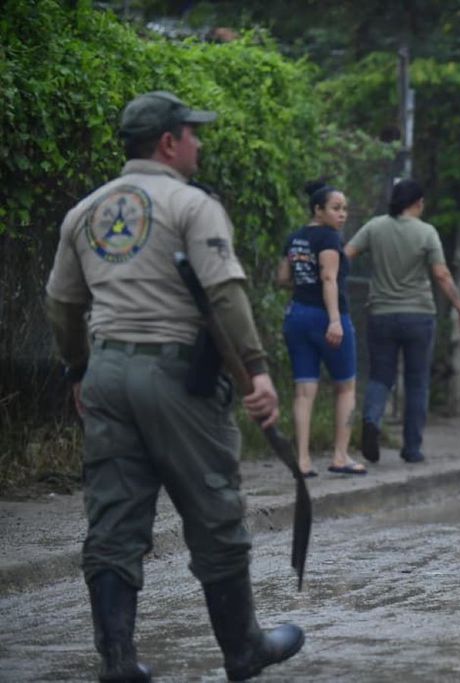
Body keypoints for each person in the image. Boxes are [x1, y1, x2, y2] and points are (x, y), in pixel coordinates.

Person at [45, 91, 303, 681]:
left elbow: (62, 303)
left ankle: (117, 661)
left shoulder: (86, 210)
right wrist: (258, 370)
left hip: (107, 373)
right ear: (168, 142)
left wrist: (79, 369)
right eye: (192, 132)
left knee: (113, 518)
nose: (199, 142)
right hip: (177, 377)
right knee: (214, 509)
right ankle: (243, 648)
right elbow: (226, 294)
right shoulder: (192, 205)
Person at [344, 179, 460, 464]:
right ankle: (412, 448)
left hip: (381, 314)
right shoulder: (426, 232)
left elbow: (346, 256)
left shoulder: (374, 227)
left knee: (381, 376)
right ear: (417, 203)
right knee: (417, 382)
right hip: (418, 315)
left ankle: (371, 419)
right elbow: (441, 275)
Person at [276, 181, 366, 478]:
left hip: (297, 315)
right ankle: (340, 456)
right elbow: (329, 279)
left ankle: (301, 460)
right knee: (345, 386)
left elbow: (283, 278)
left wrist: (305, 282)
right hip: (327, 318)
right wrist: (335, 319)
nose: (342, 215)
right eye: (336, 208)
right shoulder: (329, 238)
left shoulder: (294, 238)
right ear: (318, 209)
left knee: (304, 390)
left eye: (344, 209)